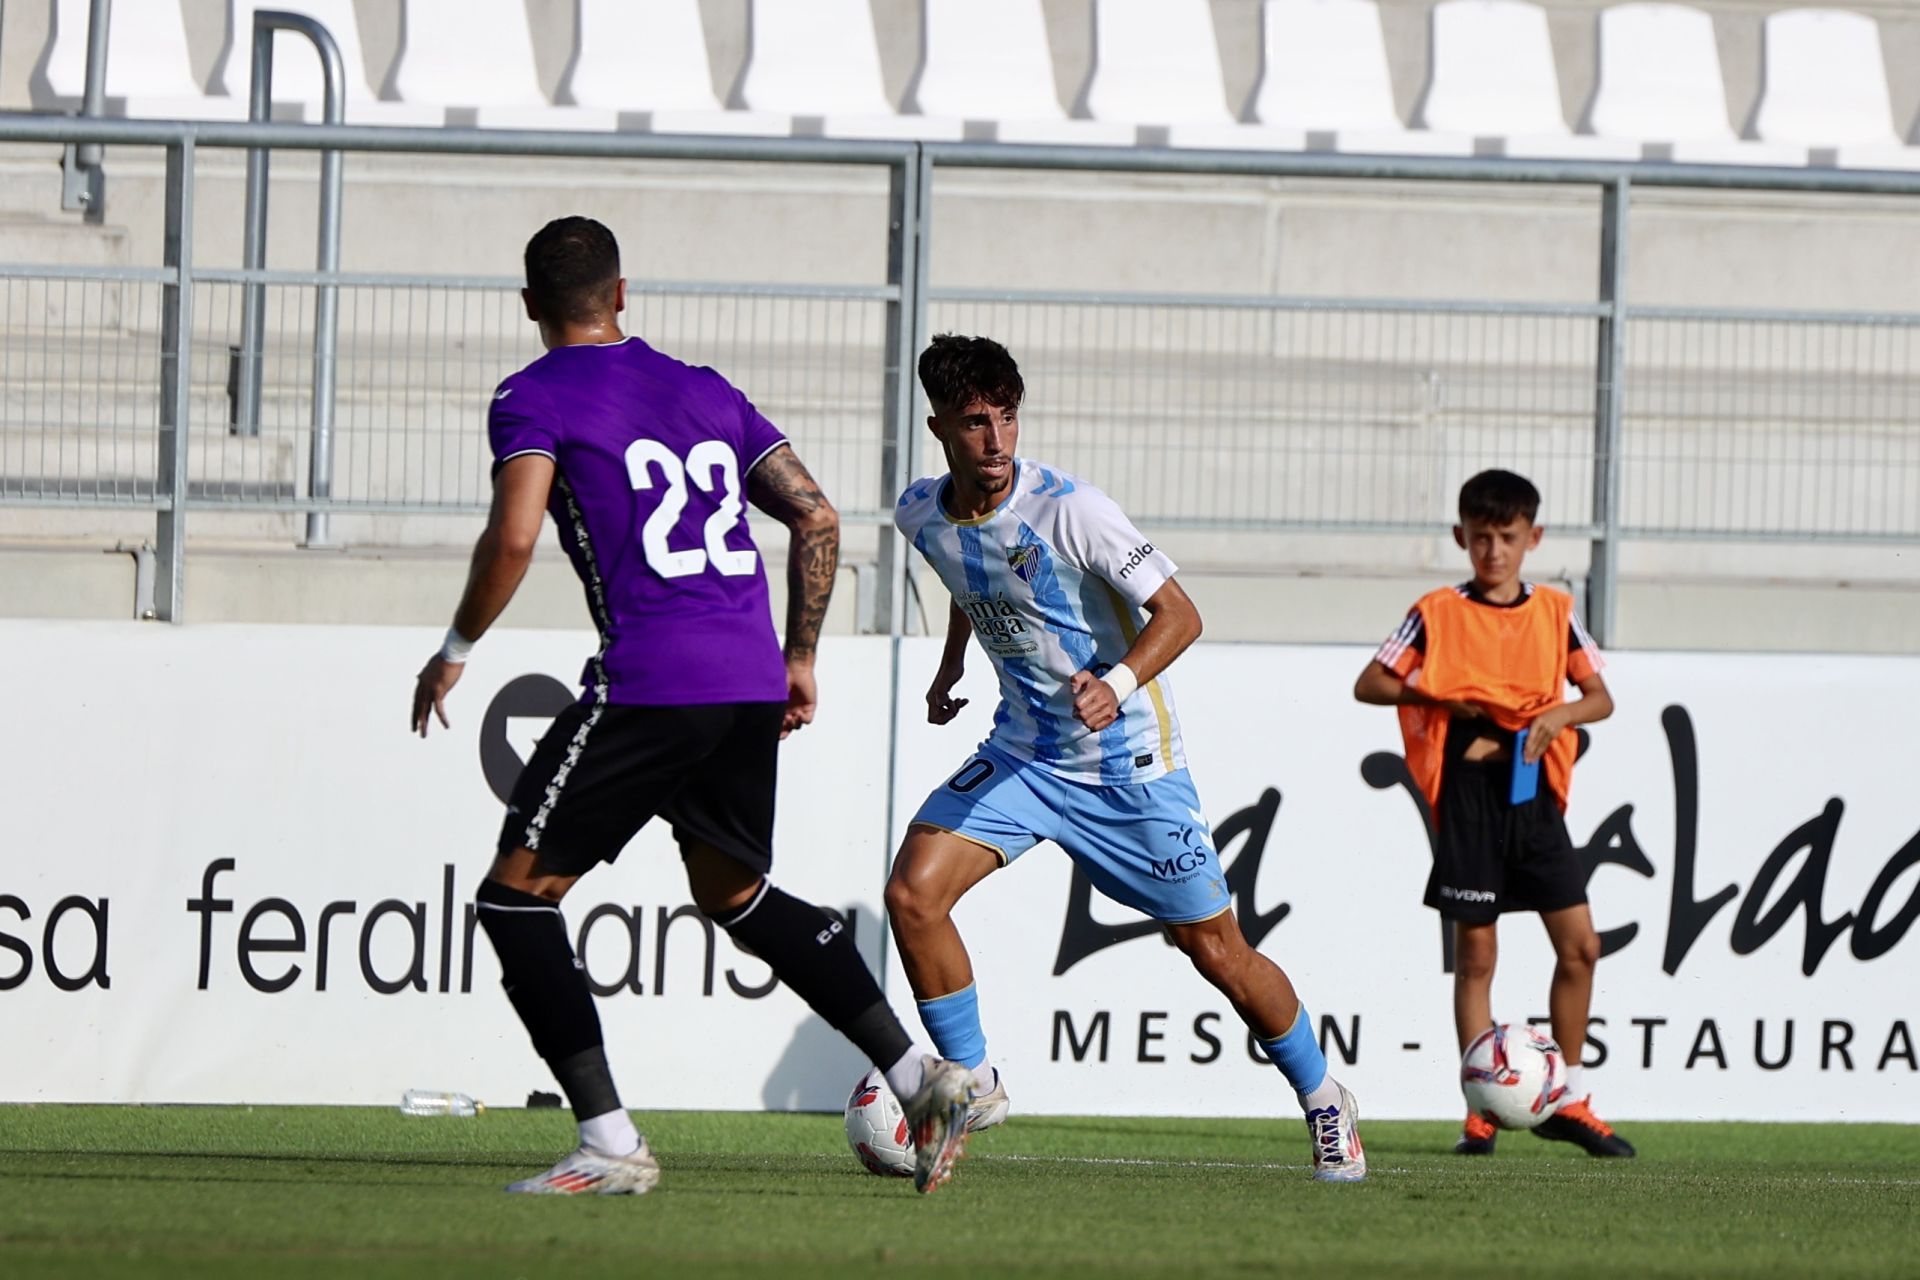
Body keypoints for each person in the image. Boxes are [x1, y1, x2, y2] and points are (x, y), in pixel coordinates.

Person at [409, 216, 972, 1196]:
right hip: (747, 675)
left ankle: (611, 1141)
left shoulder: (531, 394)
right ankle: (922, 1074)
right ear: (622, 295)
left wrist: (456, 647)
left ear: (532, 304)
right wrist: (799, 654)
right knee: (736, 895)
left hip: (652, 678)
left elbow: (511, 537)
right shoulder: (706, 389)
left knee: (515, 896)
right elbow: (818, 513)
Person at [885, 334, 1366, 1183]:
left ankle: (1326, 1098)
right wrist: (952, 662)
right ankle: (973, 1080)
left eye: (1006, 418)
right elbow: (975, 580)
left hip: (1126, 769)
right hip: (1026, 756)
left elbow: (1181, 615)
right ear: (940, 429)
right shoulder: (919, 514)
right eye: (974, 424)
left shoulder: (1073, 509)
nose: (996, 441)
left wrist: (1117, 678)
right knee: (911, 893)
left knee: (1214, 950)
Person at [1353, 468, 1634, 1158]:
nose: (1494, 552)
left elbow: (1599, 696)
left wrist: (1562, 711)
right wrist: (1442, 700)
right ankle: (1482, 1106)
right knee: (1476, 954)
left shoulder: (1557, 611)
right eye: (1481, 538)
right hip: (1471, 797)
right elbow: (1372, 682)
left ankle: (1564, 1097)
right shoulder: (1436, 611)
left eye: (1507, 538)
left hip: (1534, 797)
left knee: (1582, 947)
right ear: (1461, 537)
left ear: (1532, 538)